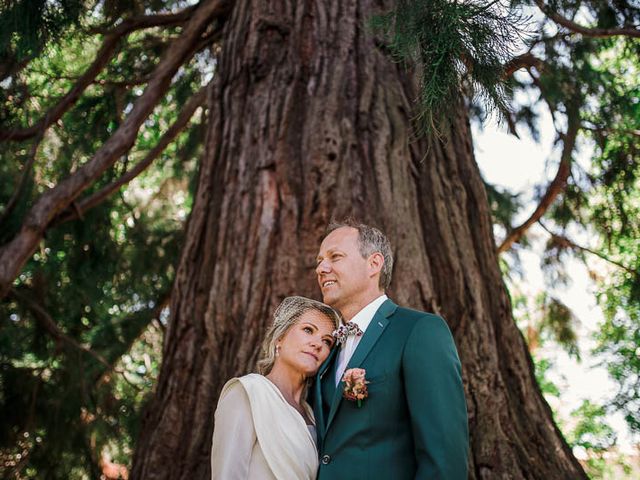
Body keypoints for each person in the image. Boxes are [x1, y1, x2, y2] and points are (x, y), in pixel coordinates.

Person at [311, 220, 469, 479]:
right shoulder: (328, 346)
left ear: (374, 264)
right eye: (319, 261)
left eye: (335, 257)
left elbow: (444, 459)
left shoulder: (419, 331)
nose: (321, 268)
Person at [210, 296, 340, 480]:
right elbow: (227, 474)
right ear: (280, 337)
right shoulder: (248, 391)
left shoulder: (313, 415)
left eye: (327, 341)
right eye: (308, 330)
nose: (317, 344)